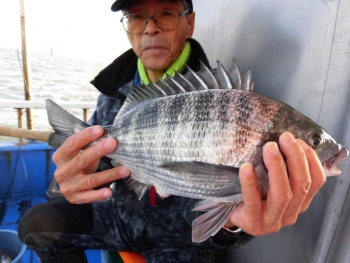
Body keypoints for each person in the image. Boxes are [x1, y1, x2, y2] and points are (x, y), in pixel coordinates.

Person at [18, 0, 326, 262]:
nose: (151, 27)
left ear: (189, 23)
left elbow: (227, 208)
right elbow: (88, 172)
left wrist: (235, 225)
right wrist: (64, 185)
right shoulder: (112, 95)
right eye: (137, 16)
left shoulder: (229, 100)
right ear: (128, 29)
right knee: (36, 223)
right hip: (119, 219)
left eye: (165, 12)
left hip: (184, 236)